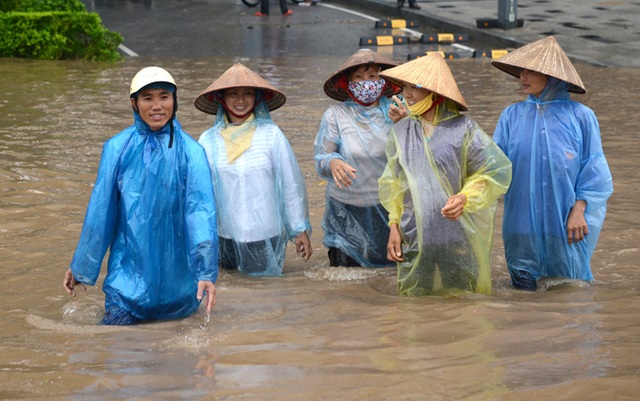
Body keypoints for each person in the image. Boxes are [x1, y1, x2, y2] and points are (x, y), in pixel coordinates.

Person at [63, 67, 218, 325]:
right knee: (119, 351)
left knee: (174, 361)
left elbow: (200, 213)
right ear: (134, 103)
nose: (157, 106)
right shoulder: (117, 148)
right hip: (126, 288)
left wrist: (206, 273)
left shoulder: (192, 152)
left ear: (174, 101)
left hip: (179, 290)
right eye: (148, 98)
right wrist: (81, 267)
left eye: (164, 97)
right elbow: (101, 212)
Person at [378, 53, 512, 296]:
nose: (407, 94)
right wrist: (394, 227)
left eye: (415, 87)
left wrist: (464, 198)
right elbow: (395, 185)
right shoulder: (401, 131)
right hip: (414, 235)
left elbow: (493, 172)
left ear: (435, 93)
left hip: (457, 236)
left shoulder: (463, 130)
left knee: (461, 308)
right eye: (405, 86)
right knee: (415, 308)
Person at [491, 36, 613, 291]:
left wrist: (579, 210)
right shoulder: (511, 116)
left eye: (531, 70)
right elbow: (494, 167)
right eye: (522, 70)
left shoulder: (581, 117)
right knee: (523, 300)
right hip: (520, 226)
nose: (523, 76)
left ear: (553, 75)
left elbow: (595, 169)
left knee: (567, 296)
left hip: (566, 225)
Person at [194, 63, 312, 276]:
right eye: (233, 94)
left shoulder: (271, 135)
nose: (241, 101)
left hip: (264, 233)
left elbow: (290, 184)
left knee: (264, 295)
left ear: (257, 98)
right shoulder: (207, 140)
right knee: (232, 292)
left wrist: (298, 229)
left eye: (248, 93)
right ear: (222, 98)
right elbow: (199, 192)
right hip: (224, 235)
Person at [314, 49, 402, 268]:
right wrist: (333, 162)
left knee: (386, 276)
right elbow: (322, 159)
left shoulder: (398, 111)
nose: (366, 83)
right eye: (359, 78)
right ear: (348, 83)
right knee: (344, 281)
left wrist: (406, 125)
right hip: (345, 208)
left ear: (383, 81)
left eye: (373, 77)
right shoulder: (335, 114)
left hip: (387, 209)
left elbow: (413, 159)